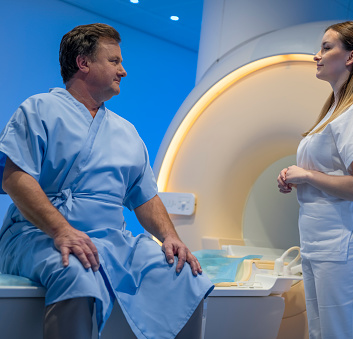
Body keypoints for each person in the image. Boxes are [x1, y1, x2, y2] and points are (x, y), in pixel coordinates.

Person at [0, 23, 213, 339]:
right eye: (114, 61)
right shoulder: (38, 110)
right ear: (83, 63)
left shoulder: (126, 132)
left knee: (186, 276)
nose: (123, 71)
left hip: (112, 241)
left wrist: (171, 236)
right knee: (77, 270)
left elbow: (145, 197)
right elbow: (14, 178)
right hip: (38, 235)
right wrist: (62, 230)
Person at [277, 21, 353, 338]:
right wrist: (295, 176)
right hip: (319, 244)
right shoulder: (337, 110)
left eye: (327, 48)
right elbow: (329, 172)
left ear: (351, 56)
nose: (317, 55)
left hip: (344, 246)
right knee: (320, 334)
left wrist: (307, 175)